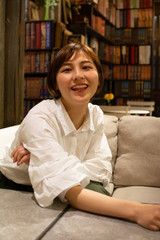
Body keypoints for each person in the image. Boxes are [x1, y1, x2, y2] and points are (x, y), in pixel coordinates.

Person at [1, 43, 160, 231]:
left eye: (86, 67)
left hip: (60, 188)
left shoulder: (95, 114)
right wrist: (137, 211)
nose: (78, 75)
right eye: (67, 69)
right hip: (13, 185)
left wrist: (53, 164)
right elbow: (68, 185)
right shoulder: (40, 117)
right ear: (54, 83)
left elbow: (100, 168)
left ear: (99, 79)